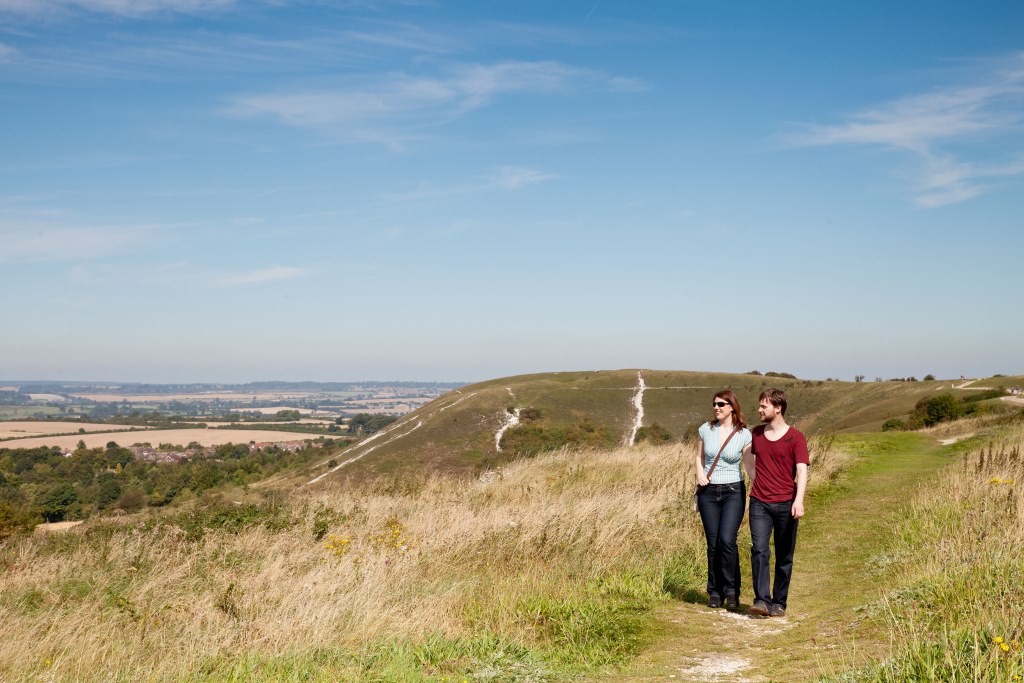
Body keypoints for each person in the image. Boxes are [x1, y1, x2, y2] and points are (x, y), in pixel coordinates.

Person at [748, 388, 809, 617]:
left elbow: (802, 471)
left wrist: (799, 500)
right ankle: (761, 600)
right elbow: (750, 458)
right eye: (760, 405)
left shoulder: (796, 437)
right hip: (759, 503)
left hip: (786, 503)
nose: (759, 410)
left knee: (784, 555)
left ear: (778, 408)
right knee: (759, 550)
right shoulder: (756, 434)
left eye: (764, 406)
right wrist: (753, 477)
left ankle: (779, 603)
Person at [695, 389, 753, 611]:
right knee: (713, 544)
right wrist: (700, 474)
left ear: (732, 407)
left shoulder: (744, 434)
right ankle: (715, 592)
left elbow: (748, 465)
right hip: (708, 492)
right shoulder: (705, 429)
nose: (716, 407)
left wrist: (759, 483)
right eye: (714, 404)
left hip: (733, 491)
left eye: (721, 404)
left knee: (727, 541)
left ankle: (732, 591)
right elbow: (699, 457)